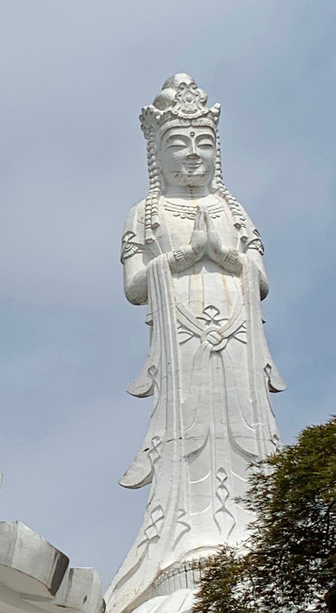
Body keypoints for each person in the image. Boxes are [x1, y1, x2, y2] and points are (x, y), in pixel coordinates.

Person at [106, 73, 284, 613]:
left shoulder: (234, 209)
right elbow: (136, 287)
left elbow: (260, 277)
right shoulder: (147, 214)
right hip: (179, 340)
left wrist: (222, 253)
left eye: (203, 145)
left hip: (237, 335)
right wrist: (186, 255)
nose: (191, 156)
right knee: (190, 419)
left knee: (242, 422)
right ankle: (188, 532)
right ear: (158, 154)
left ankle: (253, 529)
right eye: (177, 146)